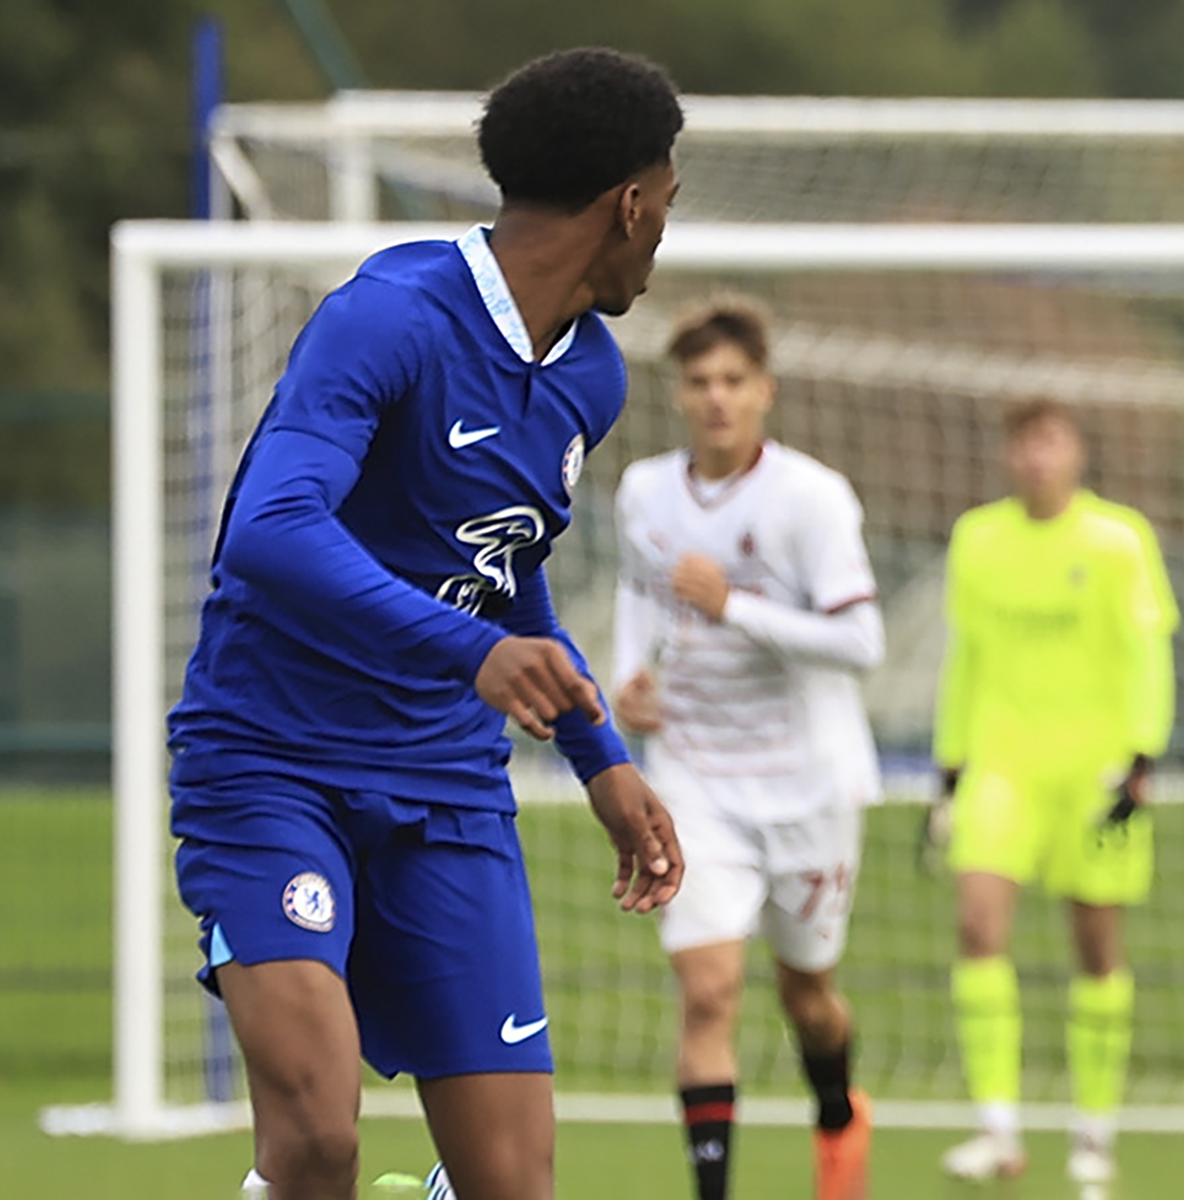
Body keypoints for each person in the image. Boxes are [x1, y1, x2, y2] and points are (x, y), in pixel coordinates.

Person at [170, 48, 688, 1200]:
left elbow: (507, 564)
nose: (662, 239)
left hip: (446, 789)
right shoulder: (390, 316)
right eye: (668, 204)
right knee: (316, 1142)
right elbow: (267, 527)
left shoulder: (588, 375)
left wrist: (600, 756)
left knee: (511, 1186)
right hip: (272, 766)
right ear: (632, 203)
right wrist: (475, 653)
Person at [609, 298, 882, 1200]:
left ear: (764, 390)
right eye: (699, 382)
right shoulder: (644, 491)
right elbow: (639, 600)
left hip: (810, 785)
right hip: (696, 780)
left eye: (734, 381)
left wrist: (737, 607)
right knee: (709, 991)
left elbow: (860, 644)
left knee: (807, 996)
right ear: (679, 393)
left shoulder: (811, 498)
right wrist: (627, 681)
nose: (717, 398)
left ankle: (838, 1115)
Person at [927, 399, 1178, 1186]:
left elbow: (1147, 653)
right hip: (1002, 765)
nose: (1037, 459)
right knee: (977, 923)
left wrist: (1142, 756)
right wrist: (949, 769)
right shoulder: (978, 539)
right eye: (1024, 445)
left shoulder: (1118, 540)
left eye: (1051, 443)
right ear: (1008, 457)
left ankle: (1094, 1132)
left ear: (1075, 453)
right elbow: (964, 657)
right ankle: (997, 1128)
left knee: (1096, 948)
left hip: (1096, 773)